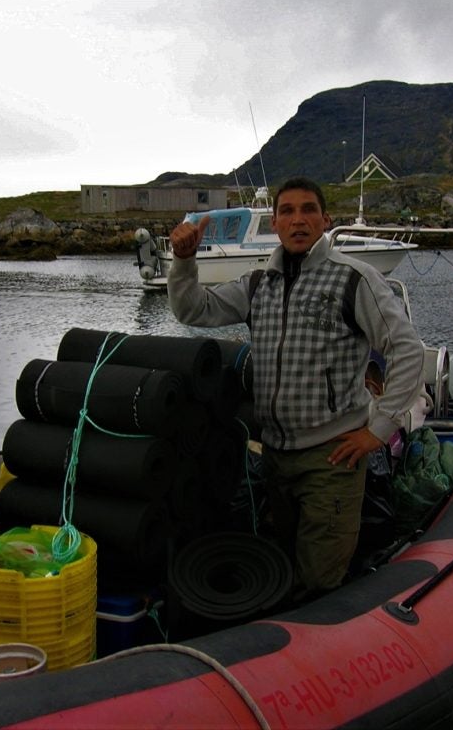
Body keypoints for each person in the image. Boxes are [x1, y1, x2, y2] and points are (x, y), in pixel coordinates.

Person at [167, 176, 425, 601]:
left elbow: (407, 349)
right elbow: (195, 309)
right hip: (274, 458)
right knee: (283, 561)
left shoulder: (353, 279)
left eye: (308, 210)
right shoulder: (258, 284)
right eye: (287, 211)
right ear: (275, 222)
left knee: (321, 581)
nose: (298, 219)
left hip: (332, 458)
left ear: (325, 220)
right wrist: (184, 260)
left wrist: (377, 430)